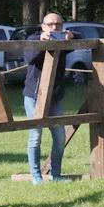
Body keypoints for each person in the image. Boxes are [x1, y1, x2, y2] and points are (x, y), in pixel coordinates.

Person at [23, 12, 74, 184]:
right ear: (43, 26)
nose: (54, 28)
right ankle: (36, 176)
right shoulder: (33, 39)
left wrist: (71, 36)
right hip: (34, 97)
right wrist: (42, 43)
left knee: (59, 138)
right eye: (50, 24)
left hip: (54, 98)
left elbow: (81, 37)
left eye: (58, 24)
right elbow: (29, 58)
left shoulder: (63, 41)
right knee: (35, 136)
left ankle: (56, 175)